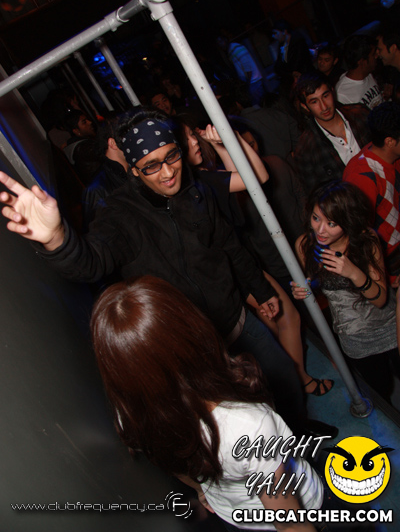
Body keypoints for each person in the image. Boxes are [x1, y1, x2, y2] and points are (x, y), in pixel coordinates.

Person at [0, 110, 315, 433]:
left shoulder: (198, 191)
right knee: (242, 413)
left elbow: (229, 245)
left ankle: (300, 435)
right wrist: (56, 239)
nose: (167, 172)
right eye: (151, 165)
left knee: (283, 380)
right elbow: (89, 263)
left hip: (237, 318)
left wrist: (261, 291)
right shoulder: (119, 213)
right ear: (134, 170)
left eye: (172, 156)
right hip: (194, 347)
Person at [91, 275, 324, 531]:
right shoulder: (248, 425)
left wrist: (201, 489)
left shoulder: (131, 413)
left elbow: (170, 459)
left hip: (233, 514)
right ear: (193, 330)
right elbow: (291, 526)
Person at [178, 119, 333, 396]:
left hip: (233, 263)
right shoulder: (198, 182)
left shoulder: (199, 177)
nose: (194, 141)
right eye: (186, 138)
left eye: (193, 134)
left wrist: (223, 145)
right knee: (287, 318)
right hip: (232, 266)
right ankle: (298, 381)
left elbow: (245, 177)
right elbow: (258, 176)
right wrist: (232, 138)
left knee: (276, 323)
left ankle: (292, 382)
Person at [291, 180, 399, 401]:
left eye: (331, 223)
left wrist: (353, 272)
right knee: (380, 390)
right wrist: (305, 290)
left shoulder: (366, 240)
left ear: (348, 221)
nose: (320, 230)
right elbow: (317, 287)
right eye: (316, 218)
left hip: (391, 326)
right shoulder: (305, 245)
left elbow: (381, 299)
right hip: (354, 335)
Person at [343, 102, 400, 279]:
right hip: (391, 260)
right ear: (390, 141)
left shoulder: (393, 156)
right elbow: (358, 236)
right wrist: (385, 276)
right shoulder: (361, 176)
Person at [294, 73, 370, 197]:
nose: (324, 106)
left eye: (325, 96)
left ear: (332, 92)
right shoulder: (306, 150)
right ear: (305, 106)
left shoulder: (361, 115)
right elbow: (317, 195)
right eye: (314, 102)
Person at [335, 35, 383, 110]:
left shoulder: (368, 74)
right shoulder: (342, 94)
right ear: (362, 61)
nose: (377, 56)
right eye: (373, 54)